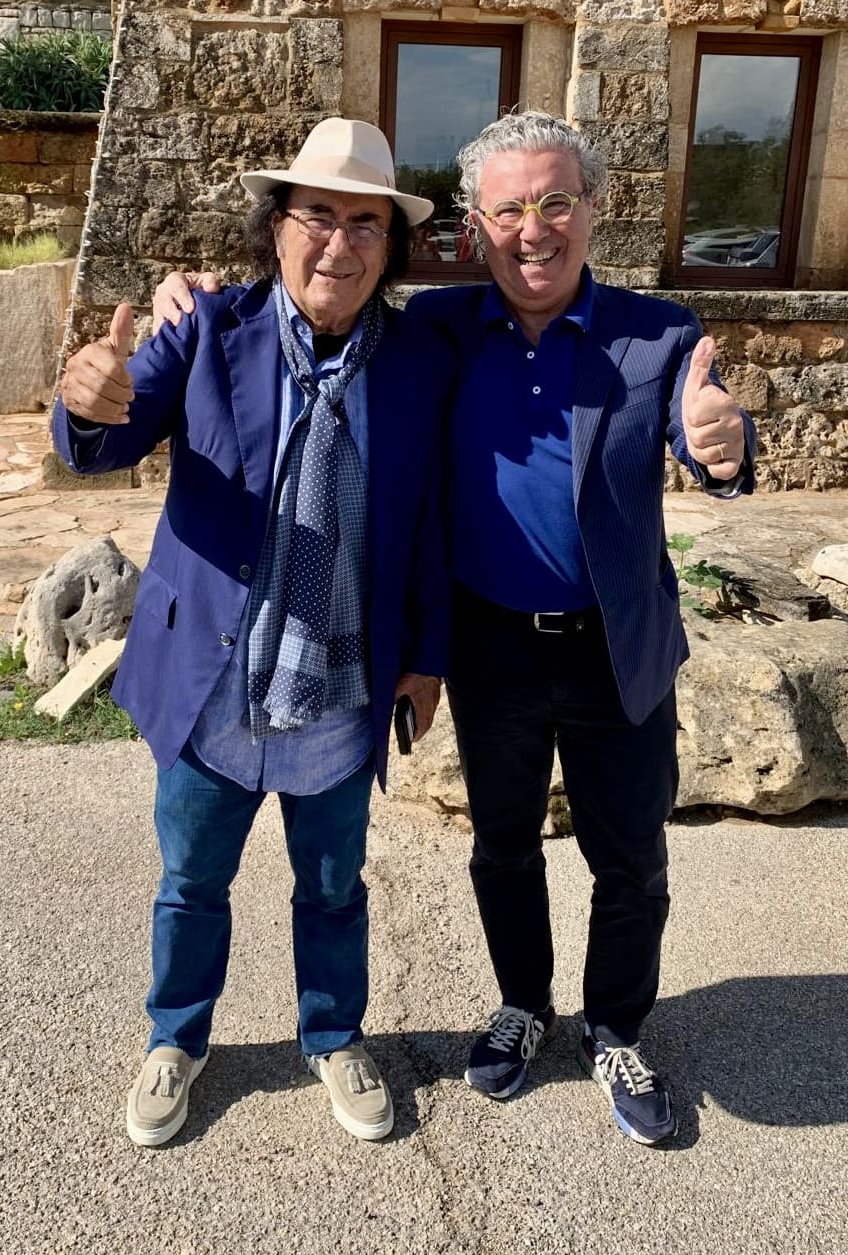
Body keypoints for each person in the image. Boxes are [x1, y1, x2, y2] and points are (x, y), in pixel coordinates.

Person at [152, 111, 756, 1147]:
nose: (534, 229)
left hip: (617, 647)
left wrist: (722, 442)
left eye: (556, 201)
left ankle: (614, 1026)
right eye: (508, 209)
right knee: (502, 846)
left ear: (593, 209)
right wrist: (190, 298)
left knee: (630, 857)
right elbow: (307, 321)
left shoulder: (657, 335)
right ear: (473, 228)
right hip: (491, 646)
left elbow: (706, 435)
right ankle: (522, 1004)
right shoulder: (433, 328)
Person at [54, 117, 453, 1147]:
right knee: (193, 883)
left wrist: (426, 657)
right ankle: (175, 1037)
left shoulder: (418, 360)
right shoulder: (206, 327)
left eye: (365, 224)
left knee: (333, 887)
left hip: (342, 683)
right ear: (276, 227)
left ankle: (333, 1034)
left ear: (390, 248)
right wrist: (87, 402)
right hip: (213, 684)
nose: (338, 244)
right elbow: (106, 436)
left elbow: (430, 519)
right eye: (317, 215)